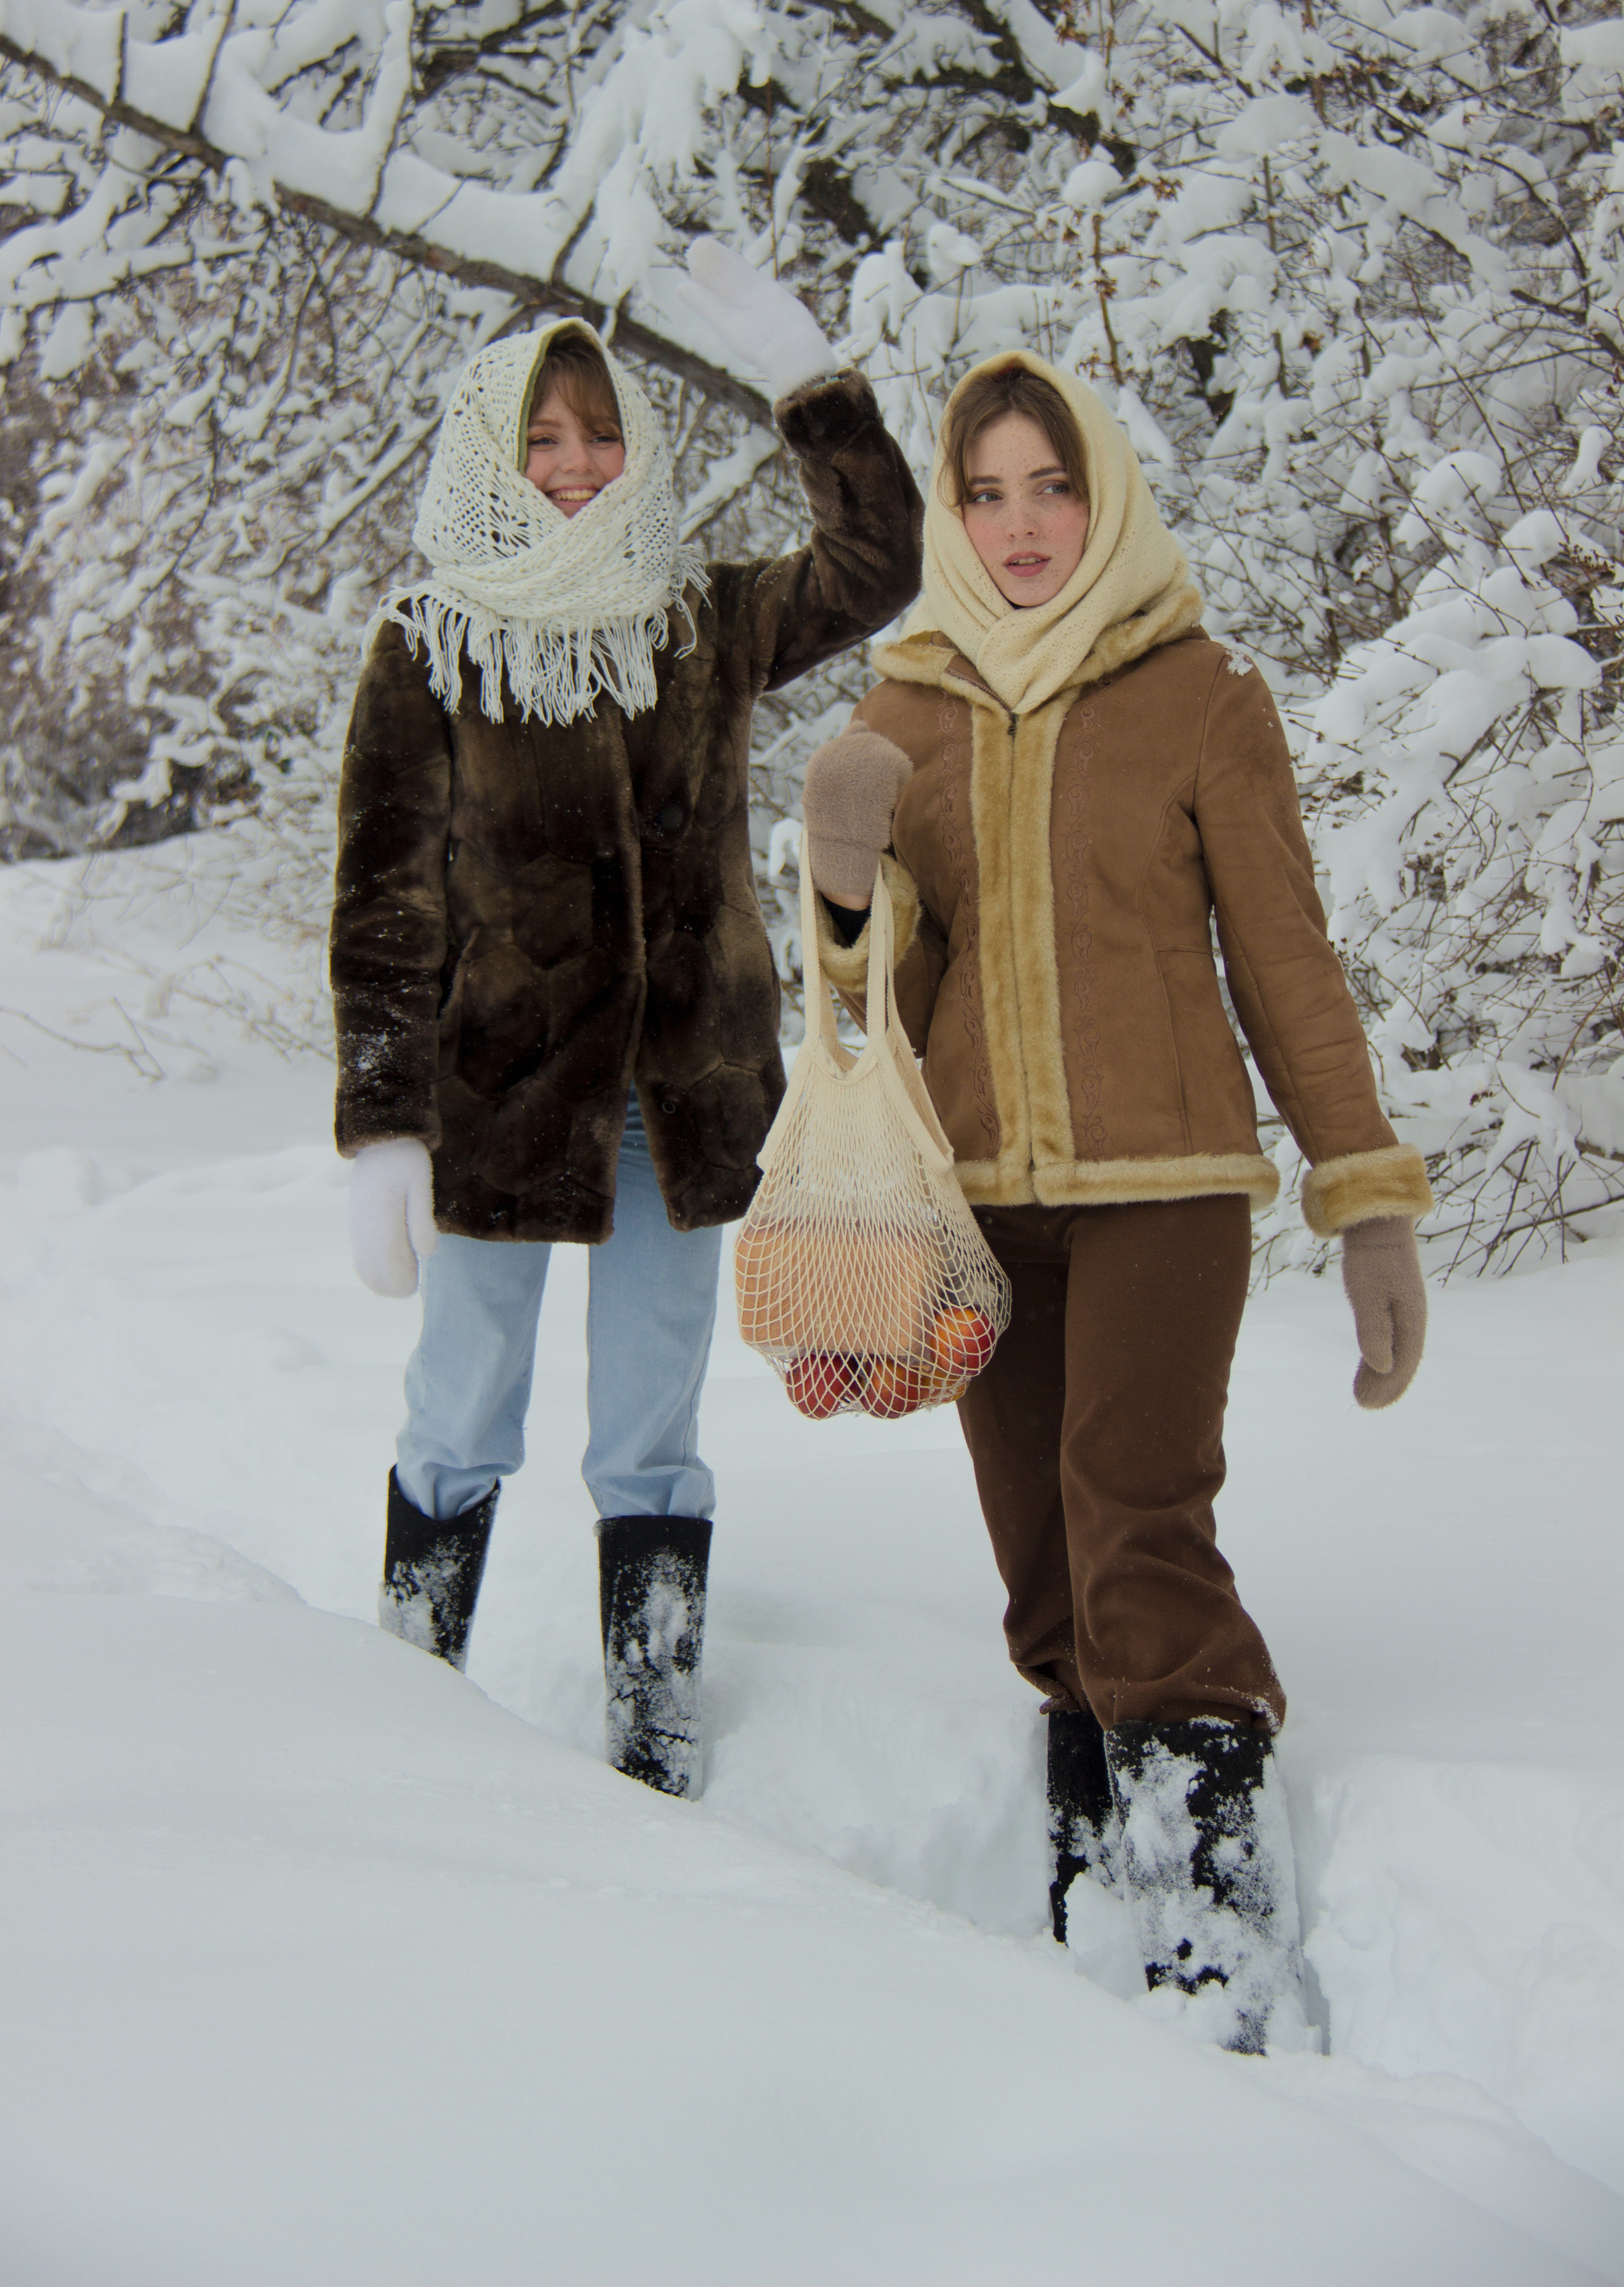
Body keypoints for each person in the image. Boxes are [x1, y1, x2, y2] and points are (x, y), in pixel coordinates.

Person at [800, 351, 1430, 2048]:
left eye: (1052, 485)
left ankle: (1210, 1899)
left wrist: (1363, 1197)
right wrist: (845, 873)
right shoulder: (903, 710)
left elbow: (1284, 959)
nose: (1020, 523)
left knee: (1136, 1513)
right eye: (986, 491)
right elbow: (863, 1018)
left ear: (1108, 496)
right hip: (980, 1205)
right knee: (1040, 1572)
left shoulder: (1199, 691)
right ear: (951, 508)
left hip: (1168, 1185)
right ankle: (1094, 1872)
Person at [330, 241, 923, 1796]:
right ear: (491, 456)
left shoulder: (700, 622)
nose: (577, 464)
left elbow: (877, 569)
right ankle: (404, 1684)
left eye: (598, 434)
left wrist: (812, 389)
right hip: (501, 1106)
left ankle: (650, 1732)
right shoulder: (428, 645)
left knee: (650, 1433)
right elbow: (382, 901)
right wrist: (381, 1123)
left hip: (681, 1095)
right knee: (459, 1410)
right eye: (542, 438)